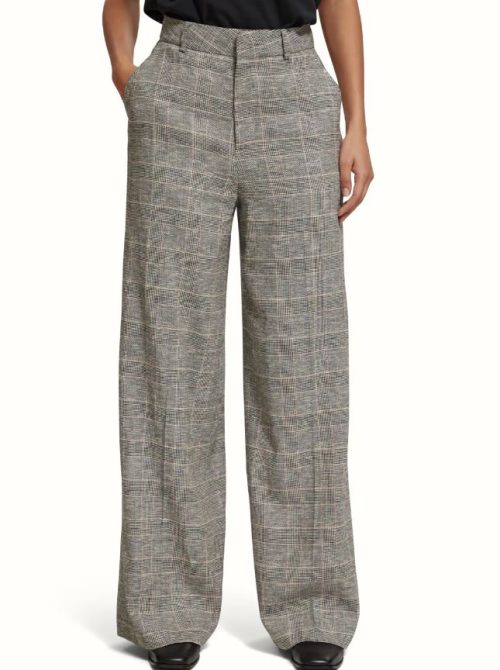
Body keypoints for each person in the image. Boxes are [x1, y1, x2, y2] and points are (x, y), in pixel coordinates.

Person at [102, 1, 373, 668]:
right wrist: (129, 76)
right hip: (179, 85)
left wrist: (357, 122)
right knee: (169, 352)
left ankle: (313, 604)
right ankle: (166, 605)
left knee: (303, 356)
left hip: (293, 89)